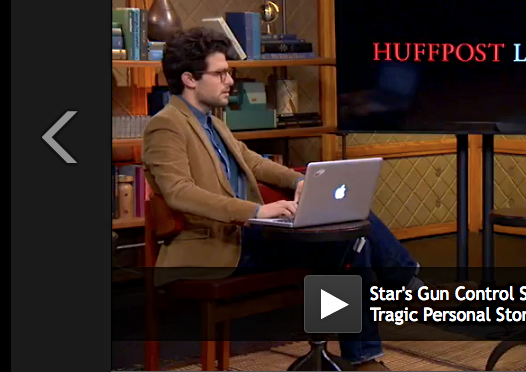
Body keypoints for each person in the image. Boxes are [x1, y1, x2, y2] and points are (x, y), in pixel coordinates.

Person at [142, 27, 470, 371]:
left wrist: (302, 182)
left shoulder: (214, 124)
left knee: (347, 234)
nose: (230, 81)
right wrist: (257, 210)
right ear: (190, 79)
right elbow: (180, 192)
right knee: (344, 242)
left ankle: (355, 347)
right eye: (221, 73)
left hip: (246, 236)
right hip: (214, 248)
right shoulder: (166, 126)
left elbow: (255, 163)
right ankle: (400, 300)